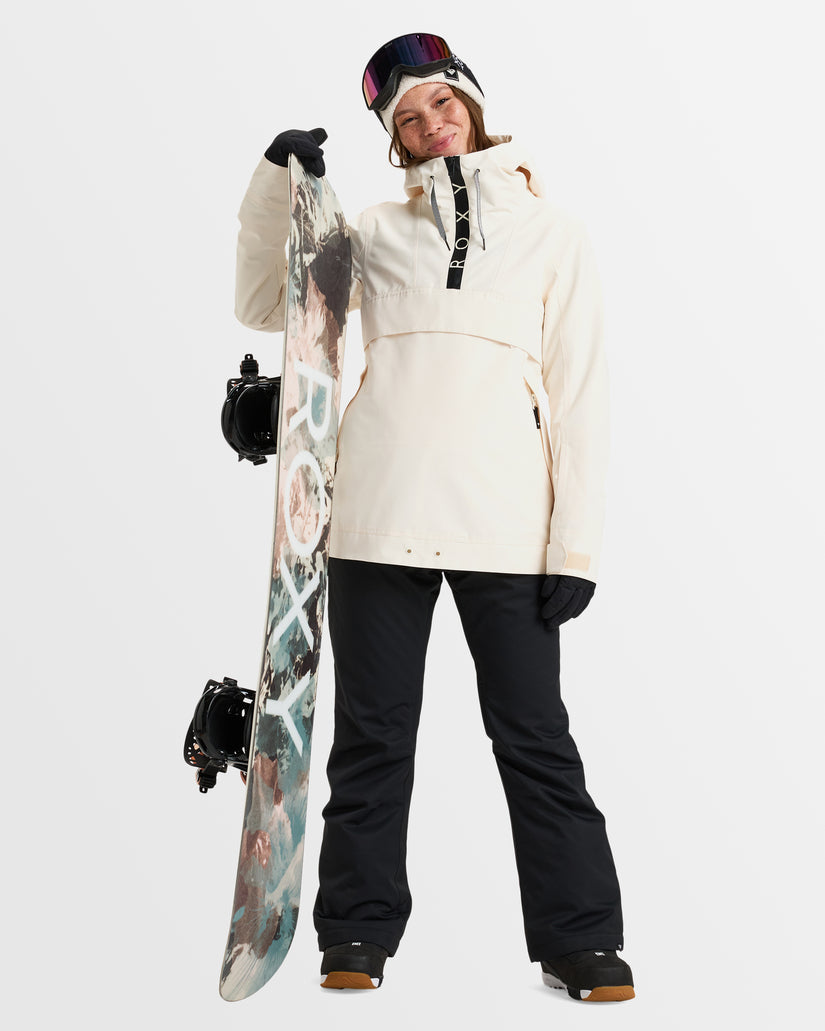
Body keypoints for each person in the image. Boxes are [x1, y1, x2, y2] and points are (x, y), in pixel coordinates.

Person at [233, 32, 634, 1003]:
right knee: (372, 737)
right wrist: (276, 184)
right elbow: (262, 304)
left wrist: (574, 544)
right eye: (408, 119)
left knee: (535, 738)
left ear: (473, 104)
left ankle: (581, 940)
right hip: (376, 515)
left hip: (507, 524)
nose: (430, 125)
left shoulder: (554, 233)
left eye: (441, 104)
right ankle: (355, 931)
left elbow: (581, 394)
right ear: (396, 139)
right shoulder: (370, 232)